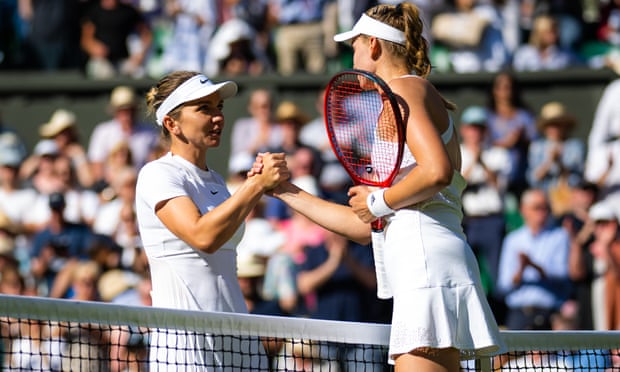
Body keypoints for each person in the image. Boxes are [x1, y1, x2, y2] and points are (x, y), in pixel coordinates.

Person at [253, 3, 503, 370]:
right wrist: (285, 191)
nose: (350, 53)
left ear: (373, 45)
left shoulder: (405, 91)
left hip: (425, 264)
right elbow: (363, 226)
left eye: (354, 44)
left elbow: (436, 171)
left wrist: (378, 201)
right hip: (428, 258)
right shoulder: (411, 94)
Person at [135, 70, 288, 370]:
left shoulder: (217, 181)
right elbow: (203, 236)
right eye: (204, 108)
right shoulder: (157, 173)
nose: (217, 117)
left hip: (238, 342)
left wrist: (257, 184)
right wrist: (254, 185)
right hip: (184, 348)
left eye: (219, 107)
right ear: (172, 123)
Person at [496, 188, 573, 330]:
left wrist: (533, 265)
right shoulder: (512, 240)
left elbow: (562, 275)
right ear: (523, 210)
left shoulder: (560, 236)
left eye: (546, 207)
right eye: (537, 207)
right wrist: (520, 270)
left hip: (549, 315)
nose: (542, 212)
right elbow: (503, 284)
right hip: (518, 314)